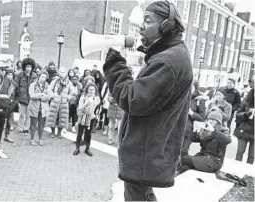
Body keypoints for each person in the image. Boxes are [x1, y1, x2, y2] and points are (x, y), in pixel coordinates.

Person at [102, 1, 190, 200]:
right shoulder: (170, 56)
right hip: (148, 149)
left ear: (166, 26)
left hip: (145, 150)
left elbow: (130, 99)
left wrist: (115, 62)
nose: (141, 26)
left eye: (148, 21)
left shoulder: (167, 62)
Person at [177, 111, 231, 175]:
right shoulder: (205, 129)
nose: (210, 121)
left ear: (218, 122)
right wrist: (195, 129)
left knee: (185, 159)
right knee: (185, 167)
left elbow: (227, 140)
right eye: (209, 119)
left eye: (214, 120)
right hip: (202, 157)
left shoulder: (224, 131)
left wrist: (213, 131)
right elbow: (193, 139)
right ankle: (174, 178)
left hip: (214, 161)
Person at [46, 66, 74, 138]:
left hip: (64, 103)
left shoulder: (69, 83)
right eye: (61, 72)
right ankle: (52, 132)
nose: (62, 73)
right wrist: (52, 95)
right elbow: (49, 89)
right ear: (59, 72)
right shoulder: (55, 81)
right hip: (55, 101)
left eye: (64, 72)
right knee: (52, 117)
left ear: (66, 73)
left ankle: (59, 133)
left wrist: (68, 98)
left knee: (62, 118)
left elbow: (72, 92)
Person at [181, 80, 206, 158]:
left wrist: (192, 113)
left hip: (189, 129)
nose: (189, 89)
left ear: (196, 88)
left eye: (191, 87)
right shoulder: (181, 96)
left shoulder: (199, 99)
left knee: (183, 151)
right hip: (177, 127)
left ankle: (180, 168)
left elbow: (202, 117)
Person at [73, 83, 100, 157]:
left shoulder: (96, 98)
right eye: (90, 89)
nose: (91, 91)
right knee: (80, 133)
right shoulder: (83, 97)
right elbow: (79, 108)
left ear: (95, 90)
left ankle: (87, 148)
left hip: (91, 118)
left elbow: (98, 109)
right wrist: (86, 104)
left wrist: (96, 115)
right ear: (87, 89)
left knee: (88, 134)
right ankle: (77, 148)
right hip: (83, 117)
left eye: (93, 89)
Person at [14, 58, 37, 136]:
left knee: (28, 115)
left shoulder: (34, 76)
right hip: (22, 98)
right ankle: (20, 128)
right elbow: (15, 87)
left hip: (31, 99)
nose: (28, 68)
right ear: (24, 67)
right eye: (27, 67)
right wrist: (17, 97)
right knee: (21, 114)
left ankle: (26, 128)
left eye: (30, 67)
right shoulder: (19, 76)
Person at [28, 72, 50, 146]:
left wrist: (42, 97)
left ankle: (40, 139)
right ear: (39, 77)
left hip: (43, 108)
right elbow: (32, 95)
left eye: (45, 77)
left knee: (41, 125)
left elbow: (49, 96)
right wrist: (41, 95)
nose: (43, 79)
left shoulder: (47, 86)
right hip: (34, 107)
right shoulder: (33, 85)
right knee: (33, 124)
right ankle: (32, 139)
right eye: (42, 77)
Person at [234, 86, 254, 164]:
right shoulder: (246, 102)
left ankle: (247, 173)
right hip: (243, 130)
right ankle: (236, 172)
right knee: (240, 152)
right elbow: (238, 114)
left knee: (252, 156)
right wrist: (246, 114)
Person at [4, 69, 16, 143]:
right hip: (3, 104)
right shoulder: (3, 83)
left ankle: (7, 135)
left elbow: (16, 95)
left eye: (11, 75)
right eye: (8, 74)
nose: (9, 76)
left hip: (11, 105)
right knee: (0, 122)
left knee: (9, 121)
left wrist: (14, 102)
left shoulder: (14, 84)